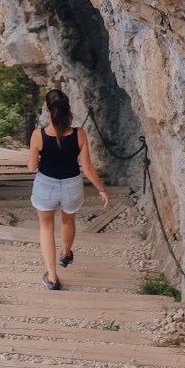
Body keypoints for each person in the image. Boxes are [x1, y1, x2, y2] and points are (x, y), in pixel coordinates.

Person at [28, 89, 109, 290]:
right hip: (71, 184)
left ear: (46, 109)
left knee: (46, 228)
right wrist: (101, 189)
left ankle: (53, 278)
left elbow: (31, 167)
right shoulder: (79, 133)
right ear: (67, 109)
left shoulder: (38, 135)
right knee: (68, 220)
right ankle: (65, 253)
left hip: (46, 184)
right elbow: (88, 168)